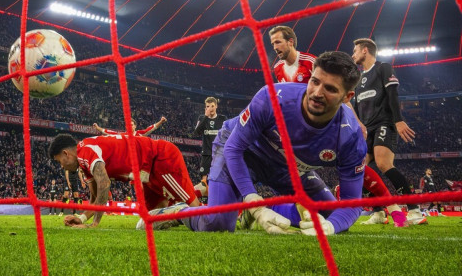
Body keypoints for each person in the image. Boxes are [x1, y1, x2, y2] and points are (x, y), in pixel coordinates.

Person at [148, 51, 367, 235]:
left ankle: (265, 208)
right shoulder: (273, 97)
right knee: (217, 225)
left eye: (330, 89)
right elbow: (234, 148)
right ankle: (178, 212)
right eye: (315, 81)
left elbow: (350, 204)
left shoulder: (351, 137)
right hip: (243, 154)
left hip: (288, 169)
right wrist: (254, 202)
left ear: (347, 97)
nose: (317, 93)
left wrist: (329, 227)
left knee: (330, 218)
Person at [271, 27, 406, 227]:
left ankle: (395, 210)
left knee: (356, 164)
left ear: (291, 42)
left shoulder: (310, 62)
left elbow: (339, 90)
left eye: (278, 42)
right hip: (301, 128)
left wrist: (356, 121)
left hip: (330, 122)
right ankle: (292, 208)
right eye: (272, 43)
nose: (275, 47)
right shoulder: (278, 68)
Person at [47, 133, 201, 228]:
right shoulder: (84, 162)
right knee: (148, 223)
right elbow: (94, 198)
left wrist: (94, 224)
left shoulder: (85, 151)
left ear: (66, 153)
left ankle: (201, 196)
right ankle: (179, 212)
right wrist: (81, 219)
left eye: (59, 161)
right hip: (146, 175)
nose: (62, 166)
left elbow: (105, 184)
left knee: (196, 208)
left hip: (160, 158)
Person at [351, 38, 426, 226]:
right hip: (367, 130)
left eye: (355, 51)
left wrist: (398, 120)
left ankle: (414, 210)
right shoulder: (358, 80)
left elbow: (393, 95)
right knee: (359, 169)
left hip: (385, 123)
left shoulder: (383, 67)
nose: (353, 54)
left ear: (365, 51)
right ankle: (378, 212)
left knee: (384, 163)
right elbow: (358, 108)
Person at [193, 97, 227, 189]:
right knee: (204, 178)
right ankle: (204, 199)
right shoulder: (202, 118)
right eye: (208, 106)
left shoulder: (222, 119)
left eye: (212, 106)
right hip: (206, 153)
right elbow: (196, 133)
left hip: (219, 153)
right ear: (205, 108)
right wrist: (205, 117)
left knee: (220, 177)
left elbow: (228, 134)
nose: (210, 108)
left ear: (216, 106)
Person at [94, 117, 165, 136]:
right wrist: (98, 128)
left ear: (135, 126)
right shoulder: (122, 135)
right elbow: (110, 132)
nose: (130, 127)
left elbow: (150, 128)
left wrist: (161, 121)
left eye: (131, 125)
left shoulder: (139, 134)